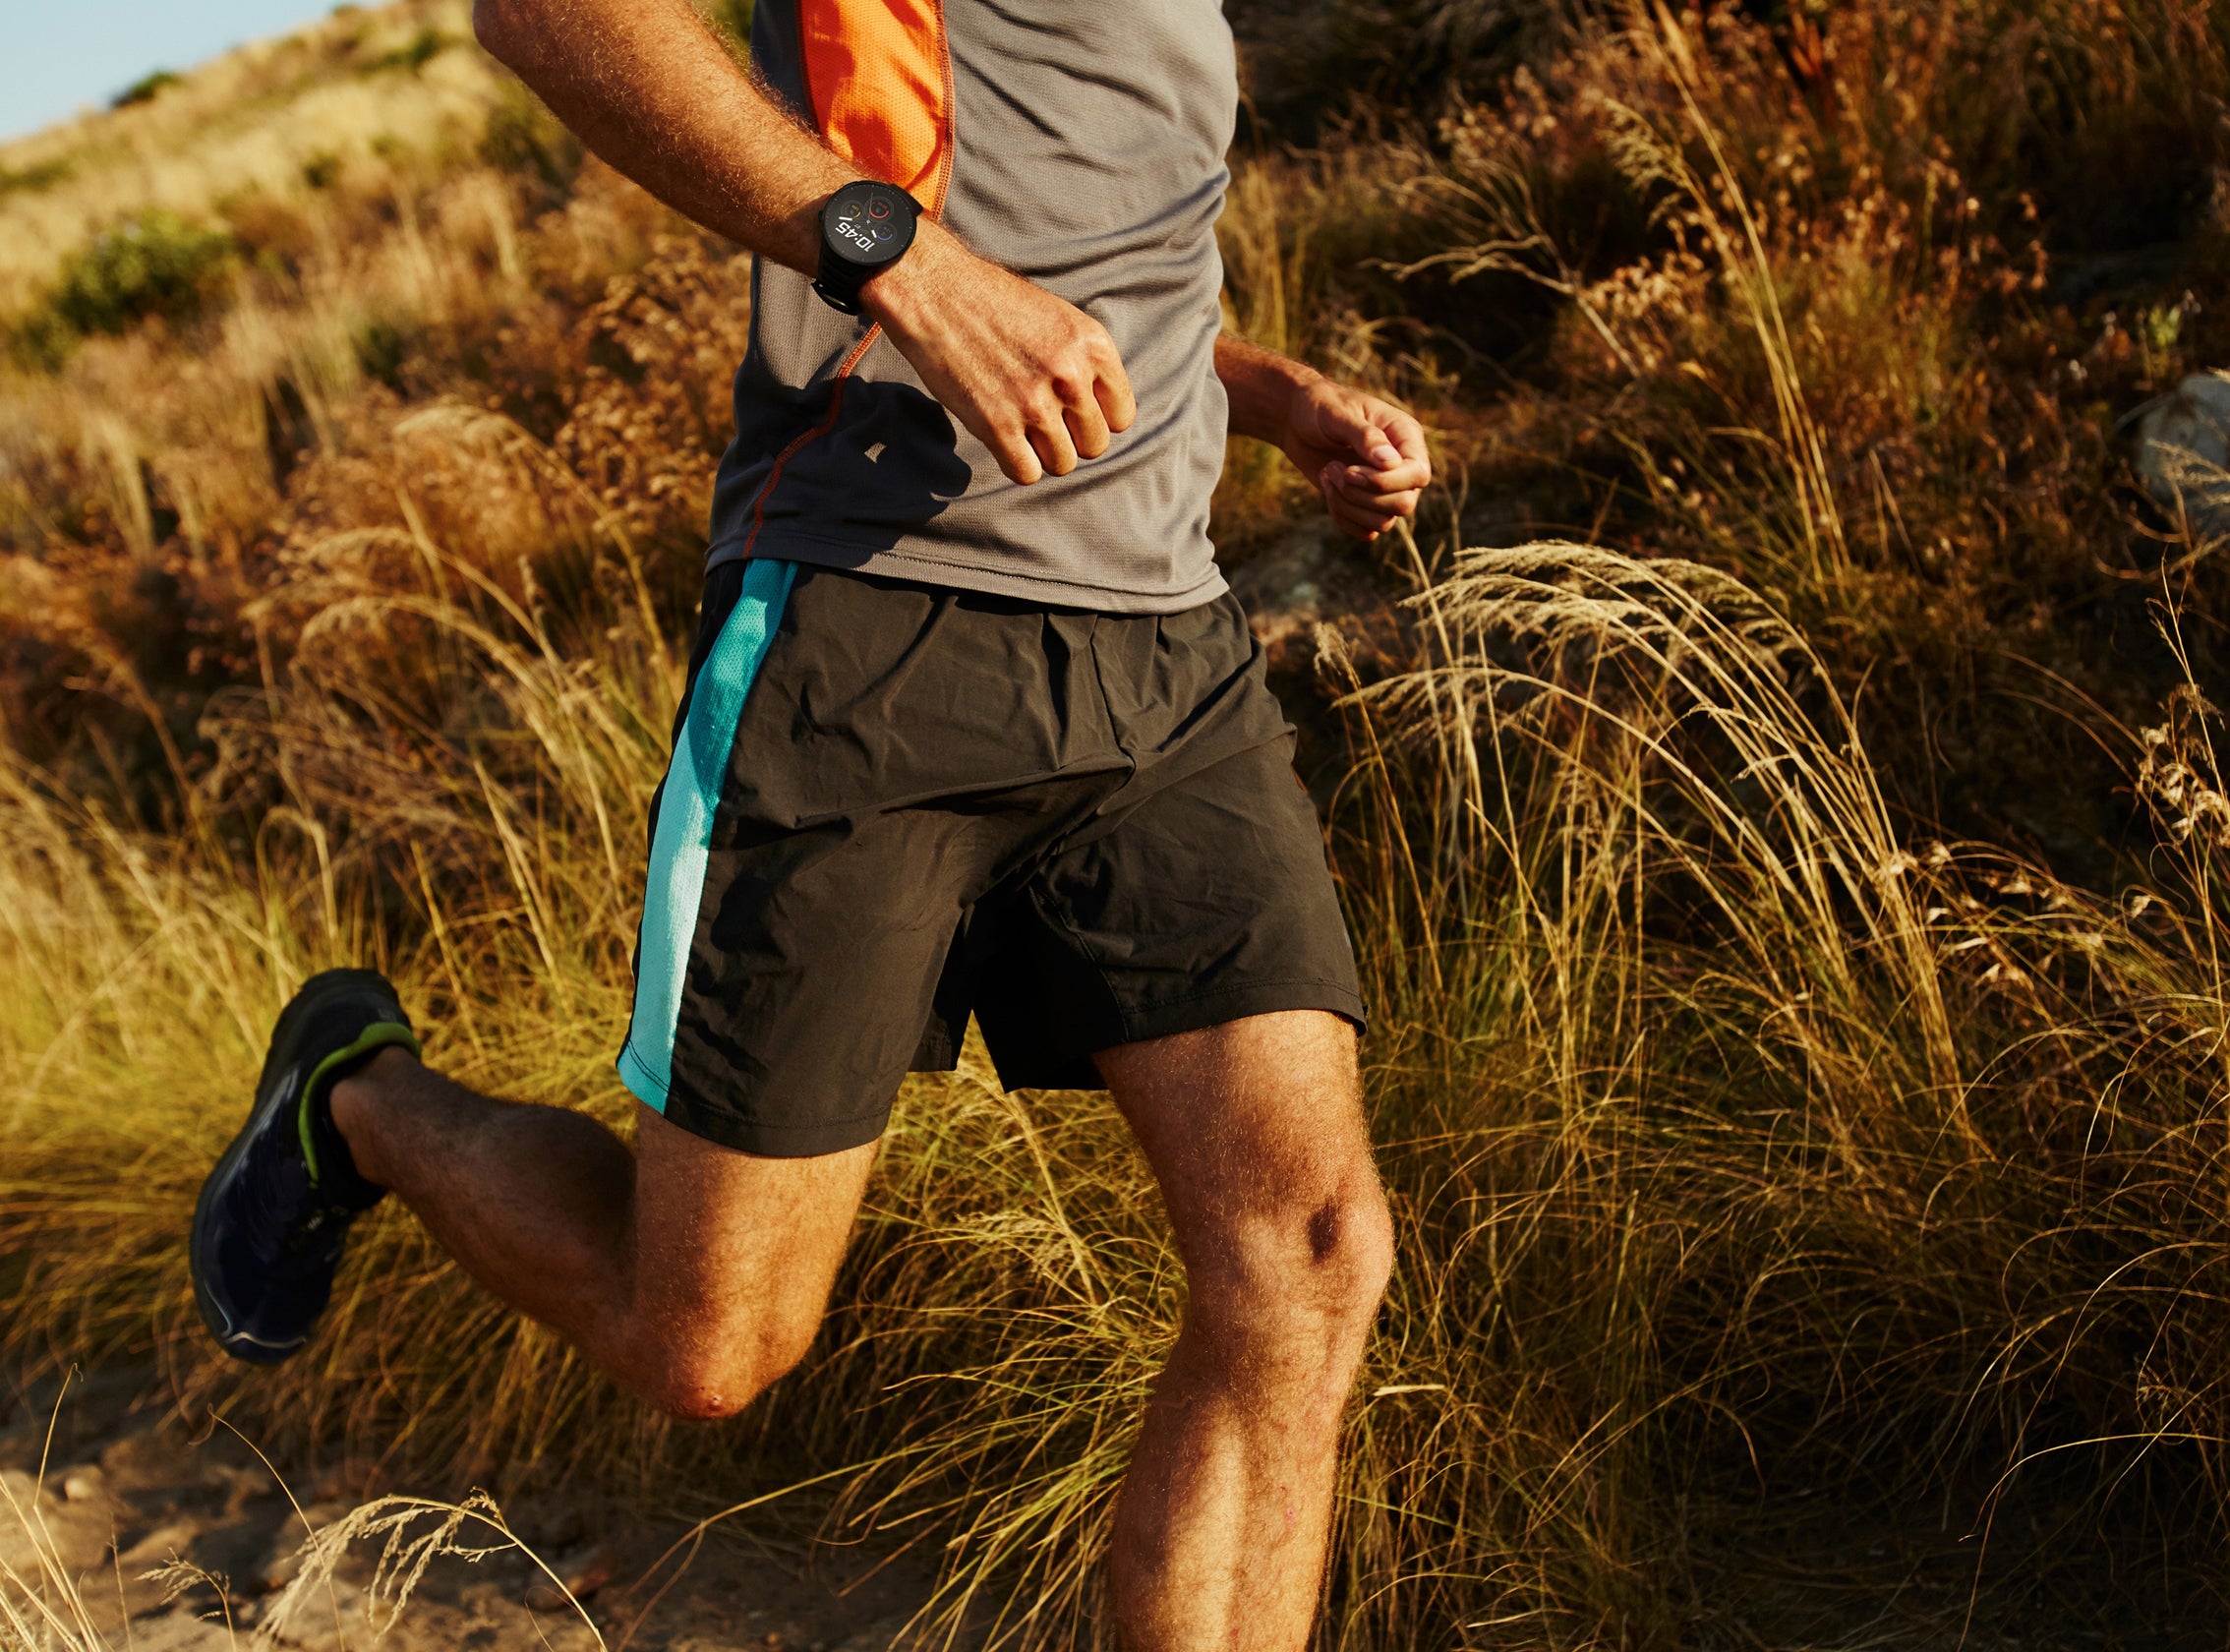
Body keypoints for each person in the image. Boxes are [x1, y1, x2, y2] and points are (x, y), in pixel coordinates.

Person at [188, 1, 1431, 1646]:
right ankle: (355, 1102)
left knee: (1310, 1256)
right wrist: (897, 259)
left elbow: (1089, 248)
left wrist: (1277, 399)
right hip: (872, 621)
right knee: (702, 1342)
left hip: (1165, 648)